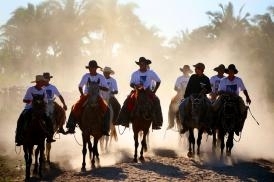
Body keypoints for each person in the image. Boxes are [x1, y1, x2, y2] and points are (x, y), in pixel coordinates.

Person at [66, 60, 110, 136]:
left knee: (107, 110)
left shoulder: (101, 77)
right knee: (74, 107)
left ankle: (105, 129)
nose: (91, 69)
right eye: (90, 68)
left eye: (93, 68)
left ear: (96, 68)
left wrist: (99, 87)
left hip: (98, 96)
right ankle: (71, 126)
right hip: (87, 96)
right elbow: (80, 86)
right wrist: (82, 94)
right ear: (89, 68)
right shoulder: (86, 76)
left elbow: (107, 88)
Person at [117, 57, 163, 129]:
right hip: (137, 91)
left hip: (148, 91)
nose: (142, 65)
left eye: (143, 64)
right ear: (139, 65)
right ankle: (123, 120)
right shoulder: (135, 74)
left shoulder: (151, 73)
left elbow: (158, 81)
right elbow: (131, 84)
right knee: (127, 100)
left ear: (146, 64)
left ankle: (157, 122)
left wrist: (154, 91)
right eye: (140, 64)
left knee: (157, 101)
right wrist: (136, 86)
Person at [15, 75, 56, 146]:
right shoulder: (30, 89)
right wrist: (31, 101)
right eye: (42, 82)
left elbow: (45, 101)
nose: (43, 83)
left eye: (43, 82)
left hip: (40, 110)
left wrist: (43, 104)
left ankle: (50, 136)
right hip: (29, 108)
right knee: (21, 120)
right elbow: (24, 100)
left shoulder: (43, 91)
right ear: (38, 82)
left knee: (49, 119)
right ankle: (19, 138)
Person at [213, 64, 251, 136]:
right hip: (224, 97)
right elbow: (220, 91)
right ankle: (214, 124)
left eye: (232, 71)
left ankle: (239, 126)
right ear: (228, 72)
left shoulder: (238, 80)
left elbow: (243, 89)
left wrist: (247, 97)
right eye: (229, 71)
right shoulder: (223, 80)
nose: (231, 72)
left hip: (235, 98)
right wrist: (221, 94)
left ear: (234, 72)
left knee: (244, 110)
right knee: (214, 107)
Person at [179, 62, 212, 134]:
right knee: (181, 106)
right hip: (192, 96)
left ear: (201, 69)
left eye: (196, 68)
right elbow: (188, 87)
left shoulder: (206, 79)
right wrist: (186, 96)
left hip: (202, 97)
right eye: (195, 68)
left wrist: (205, 90)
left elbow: (210, 89)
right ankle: (184, 125)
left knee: (210, 106)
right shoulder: (193, 77)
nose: (195, 69)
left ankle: (207, 126)